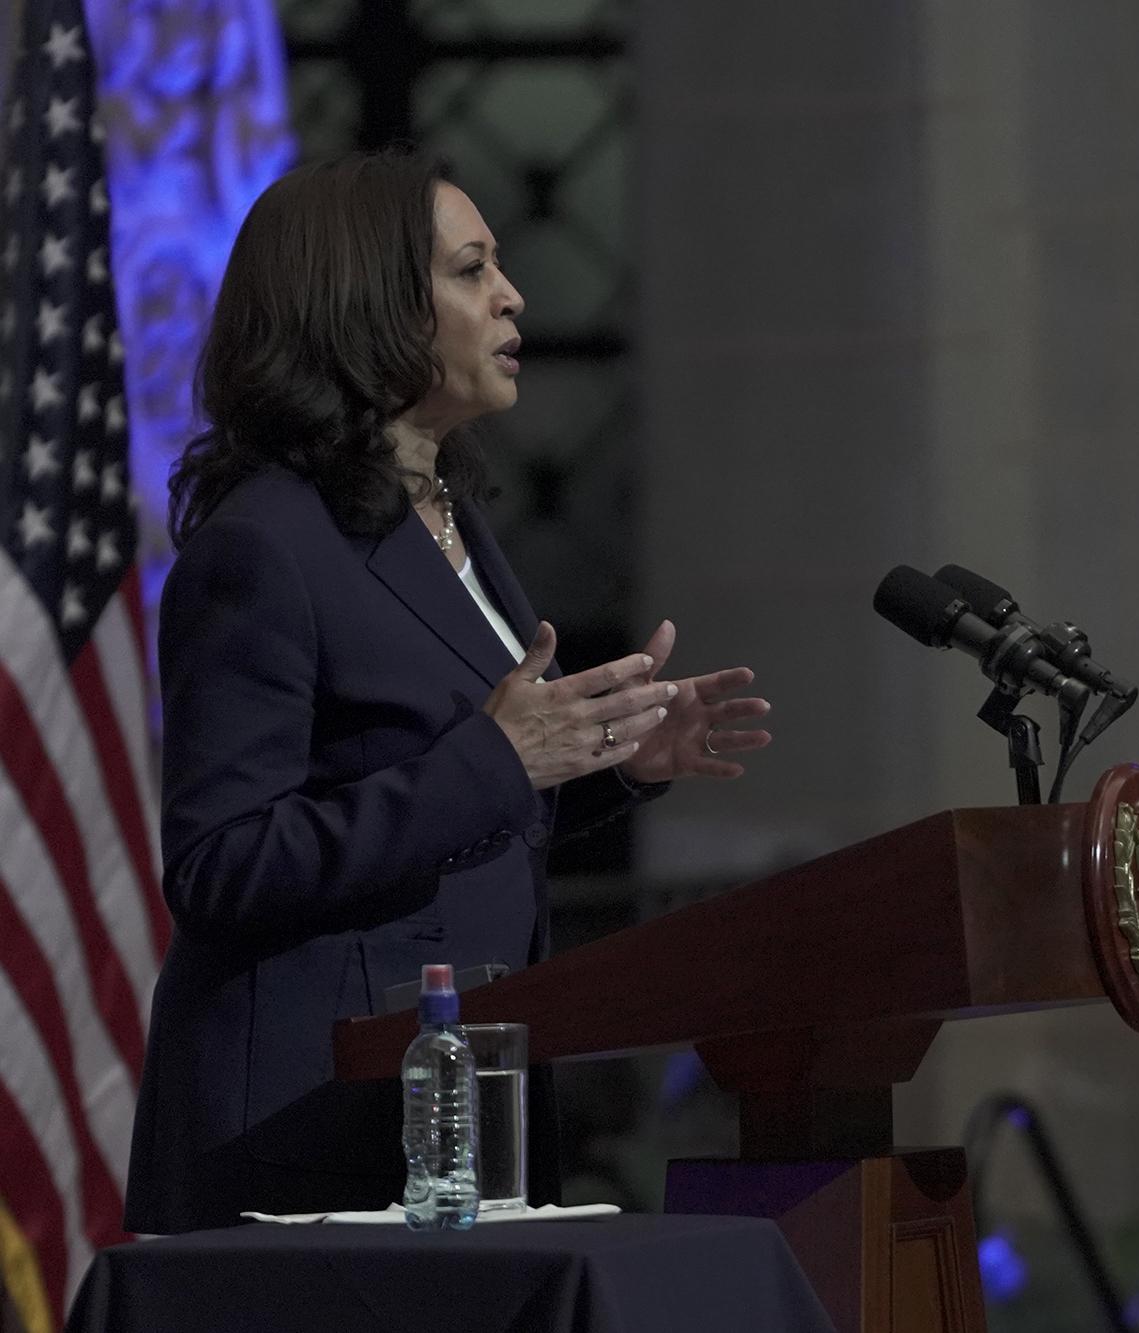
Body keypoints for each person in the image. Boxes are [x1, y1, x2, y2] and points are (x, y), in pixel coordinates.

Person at [123, 148, 772, 1234]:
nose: (511, 296)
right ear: (365, 306)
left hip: (454, 1108)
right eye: (472, 269)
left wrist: (611, 763)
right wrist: (501, 756)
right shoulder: (263, 550)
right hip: (305, 1133)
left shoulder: (454, 525)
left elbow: (437, 796)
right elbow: (220, 863)